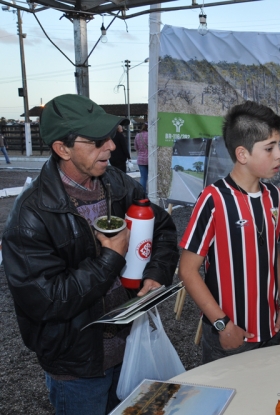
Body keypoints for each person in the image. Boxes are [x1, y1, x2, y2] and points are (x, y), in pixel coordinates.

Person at [2, 94, 180, 415]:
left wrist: (157, 273)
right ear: (63, 149)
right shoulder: (31, 214)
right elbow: (46, 301)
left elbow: (163, 228)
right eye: (98, 140)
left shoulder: (117, 183)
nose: (111, 146)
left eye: (110, 136)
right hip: (77, 368)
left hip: (130, 349)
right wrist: (111, 259)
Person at [178, 101, 280, 364]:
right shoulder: (213, 199)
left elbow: (274, 253)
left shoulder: (274, 196)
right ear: (242, 154)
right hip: (230, 336)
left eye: (279, 145)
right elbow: (187, 270)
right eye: (270, 148)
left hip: (272, 329)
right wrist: (222, 325)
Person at [135, 123, 149, 191]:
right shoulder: (150, 135)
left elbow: (136, 147)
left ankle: (142, 193)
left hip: (140, 159)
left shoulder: (138, 135)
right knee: (152, 178)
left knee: (143, 177)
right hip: (150, 159)